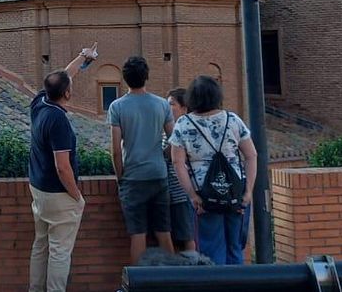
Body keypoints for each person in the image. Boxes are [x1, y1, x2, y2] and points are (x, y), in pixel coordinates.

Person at [29, 42, 99, 292]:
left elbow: (65, 76)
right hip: (59, 194)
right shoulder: (58, 120)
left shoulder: (39, 104)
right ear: (67, 94)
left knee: (41, 245)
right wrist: (76, 196)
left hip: (38, 189)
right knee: (60, 250)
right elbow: (63, 167)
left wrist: (82, 57)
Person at [169, 75, 257, 265]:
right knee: (235, 248)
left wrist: (192, 195)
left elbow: (178, 163)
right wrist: (248, 191)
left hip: (204, 196)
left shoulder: (183, 125)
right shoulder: (233, 120)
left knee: (210, 251)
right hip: (235, 192)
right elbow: (251, 155)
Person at [108, 56, 176, 264]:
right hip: (158, 174)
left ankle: (137, 284)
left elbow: (116, 150)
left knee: (138, 235)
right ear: (147, 77)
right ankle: (175, 281)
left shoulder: (117, 107)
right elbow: (174, 140)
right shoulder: (162, 105)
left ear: (125, 79)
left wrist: (121, 176)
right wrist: (163, 157)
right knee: (164, 232)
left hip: (133, 177)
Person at [163, 88, 198, 256]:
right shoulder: (168, 129)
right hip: (168, 191)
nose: (167, 107)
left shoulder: (186, 130)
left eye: (171, 104)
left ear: (184, 108)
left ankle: (193, 273)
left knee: (187, 236)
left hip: (181, 193)